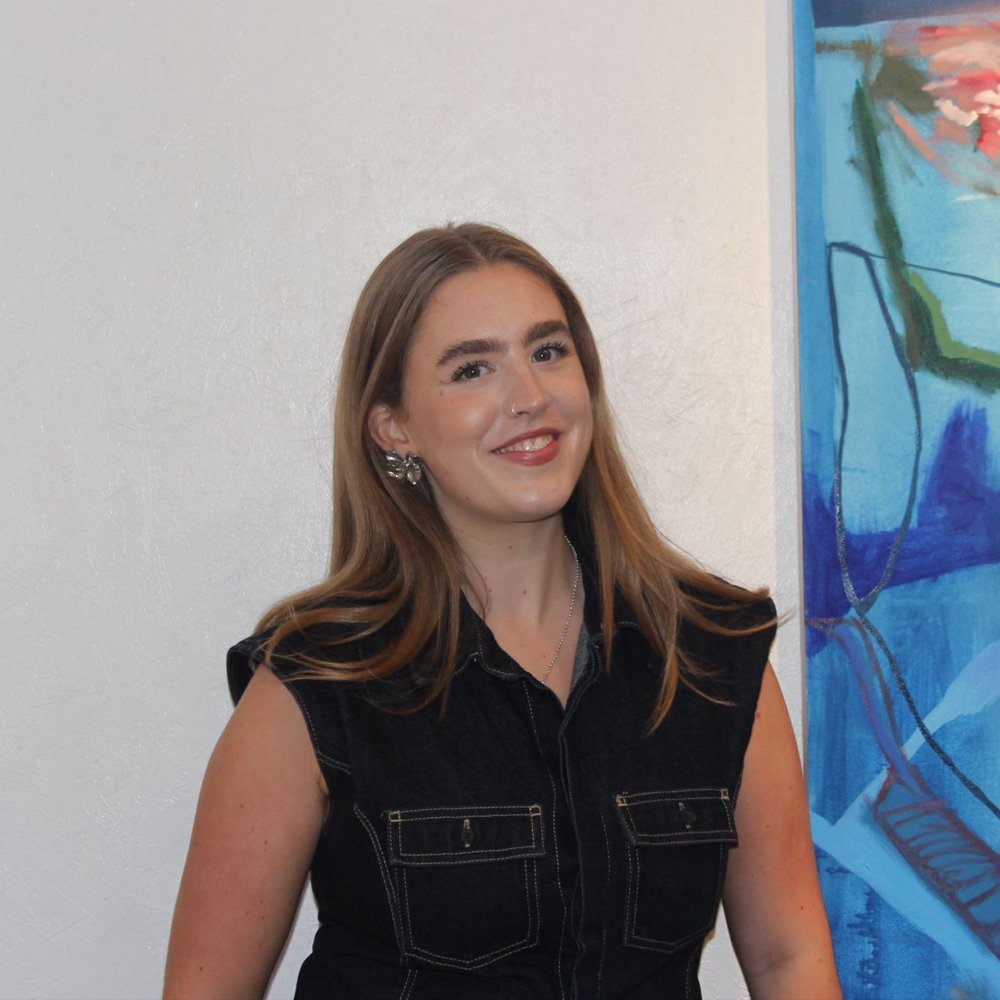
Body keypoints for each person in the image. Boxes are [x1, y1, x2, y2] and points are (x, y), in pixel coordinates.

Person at [164, 223, 841, 999]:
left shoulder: (711, 656)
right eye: (472, 369)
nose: (530, 397)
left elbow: (790, 959)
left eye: (548, 351)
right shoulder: (316, 686)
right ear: (394, 427)